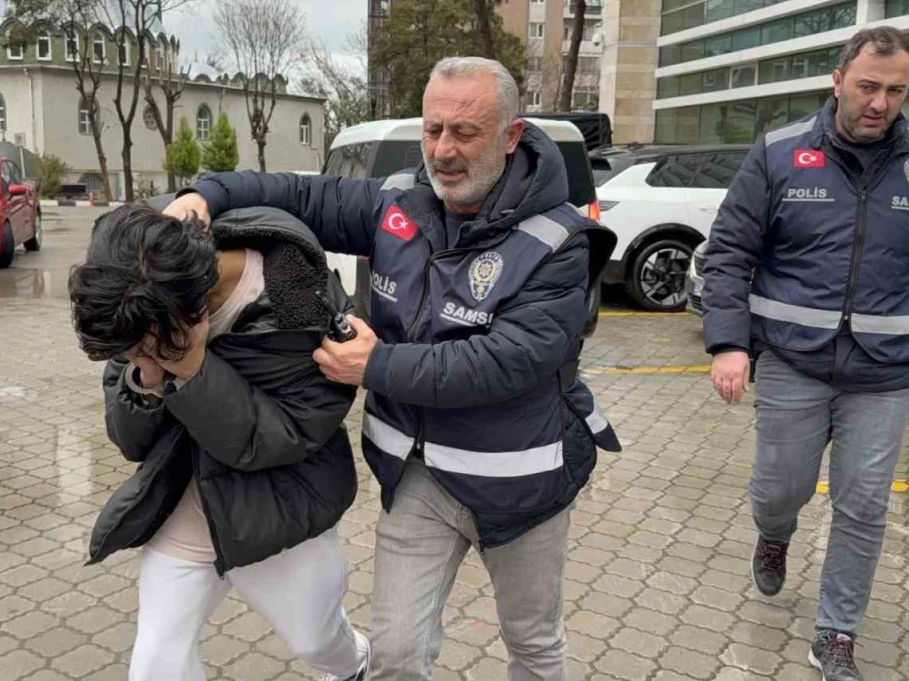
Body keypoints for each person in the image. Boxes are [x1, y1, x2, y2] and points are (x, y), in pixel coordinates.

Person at [165, 56, 619, 681]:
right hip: (418, 478)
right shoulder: (398, 200)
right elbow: (298, 194)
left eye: (465, 133)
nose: (443, 151)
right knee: (396, 657)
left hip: (522, 485)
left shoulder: (559, 240)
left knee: (533, 645)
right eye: (433, 130)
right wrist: (204, 195)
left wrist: (375, 364)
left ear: (511, 136)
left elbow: (505, 361)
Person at [702, 26, 909, 681]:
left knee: (863, 504)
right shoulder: (779, 152)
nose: (880, 103)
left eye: (896, 91)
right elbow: (729, 255)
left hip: (886, 372)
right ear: (837, 82)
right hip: (793, 360)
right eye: (867, 87)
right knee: (782, 489)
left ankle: (836, 631)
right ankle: (774, 534)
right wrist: (728, 343)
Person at [69, 205, 370, 681]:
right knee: (155, 667)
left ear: (193, 310)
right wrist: (146, 376)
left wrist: (192, 369)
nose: (140, 354)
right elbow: (131, 443)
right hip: (185, 504)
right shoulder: (137, 294)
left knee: (315, 640)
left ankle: (356, 662)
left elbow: (281, 438)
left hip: (276, 506)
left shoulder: (301, 309)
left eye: (146, 347)